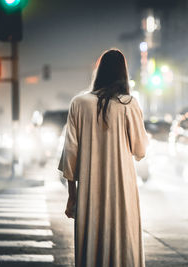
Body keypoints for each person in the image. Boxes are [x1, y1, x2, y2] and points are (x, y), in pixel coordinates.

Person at [58, 49, 148, 267]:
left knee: (92, 246)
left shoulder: (79, 103)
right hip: (123, 192)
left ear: (99, 71)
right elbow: (140, 150)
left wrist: (72, 196)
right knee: (123, 245)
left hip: (90, 191)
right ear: (123, 73)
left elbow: (71, 154)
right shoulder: (129, 104)